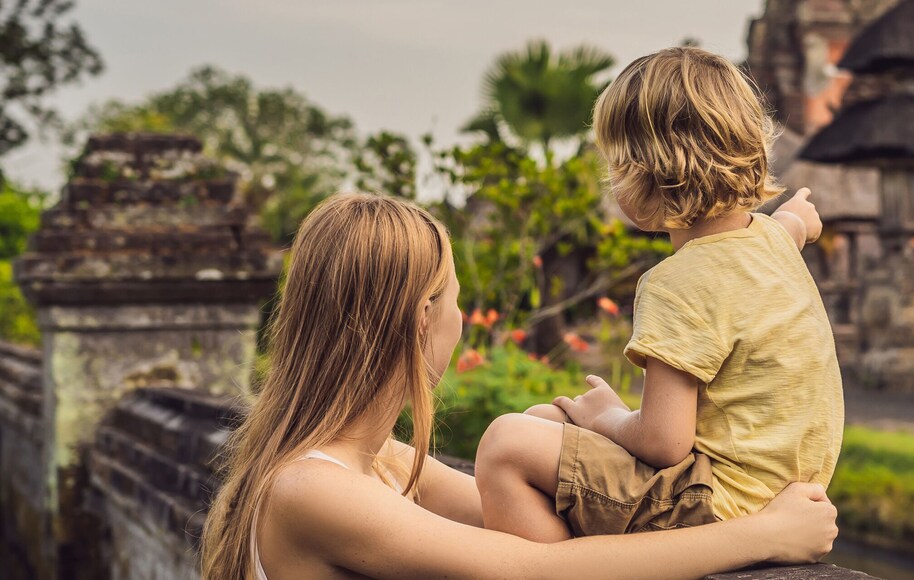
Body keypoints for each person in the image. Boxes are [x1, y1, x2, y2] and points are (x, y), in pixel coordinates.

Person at [200, 193, 838, 579]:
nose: (458, 316)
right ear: (425, 319)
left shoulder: (383, 464)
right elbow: (536, 570)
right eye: (454, 297)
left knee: (533, 425)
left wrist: (558, 435)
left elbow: (535, 524)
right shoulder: (315, 488)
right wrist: (761, 536)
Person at [475, 46, 843, 543]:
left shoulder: (679, 282)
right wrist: (800, 215)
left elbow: (664, 442)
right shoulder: (771, 241)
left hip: (718, 505)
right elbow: (790, 227)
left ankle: (560, 568)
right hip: (779, 490)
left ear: (646, 174)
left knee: (507, 443)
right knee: (545, 420)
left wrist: (608, 417)